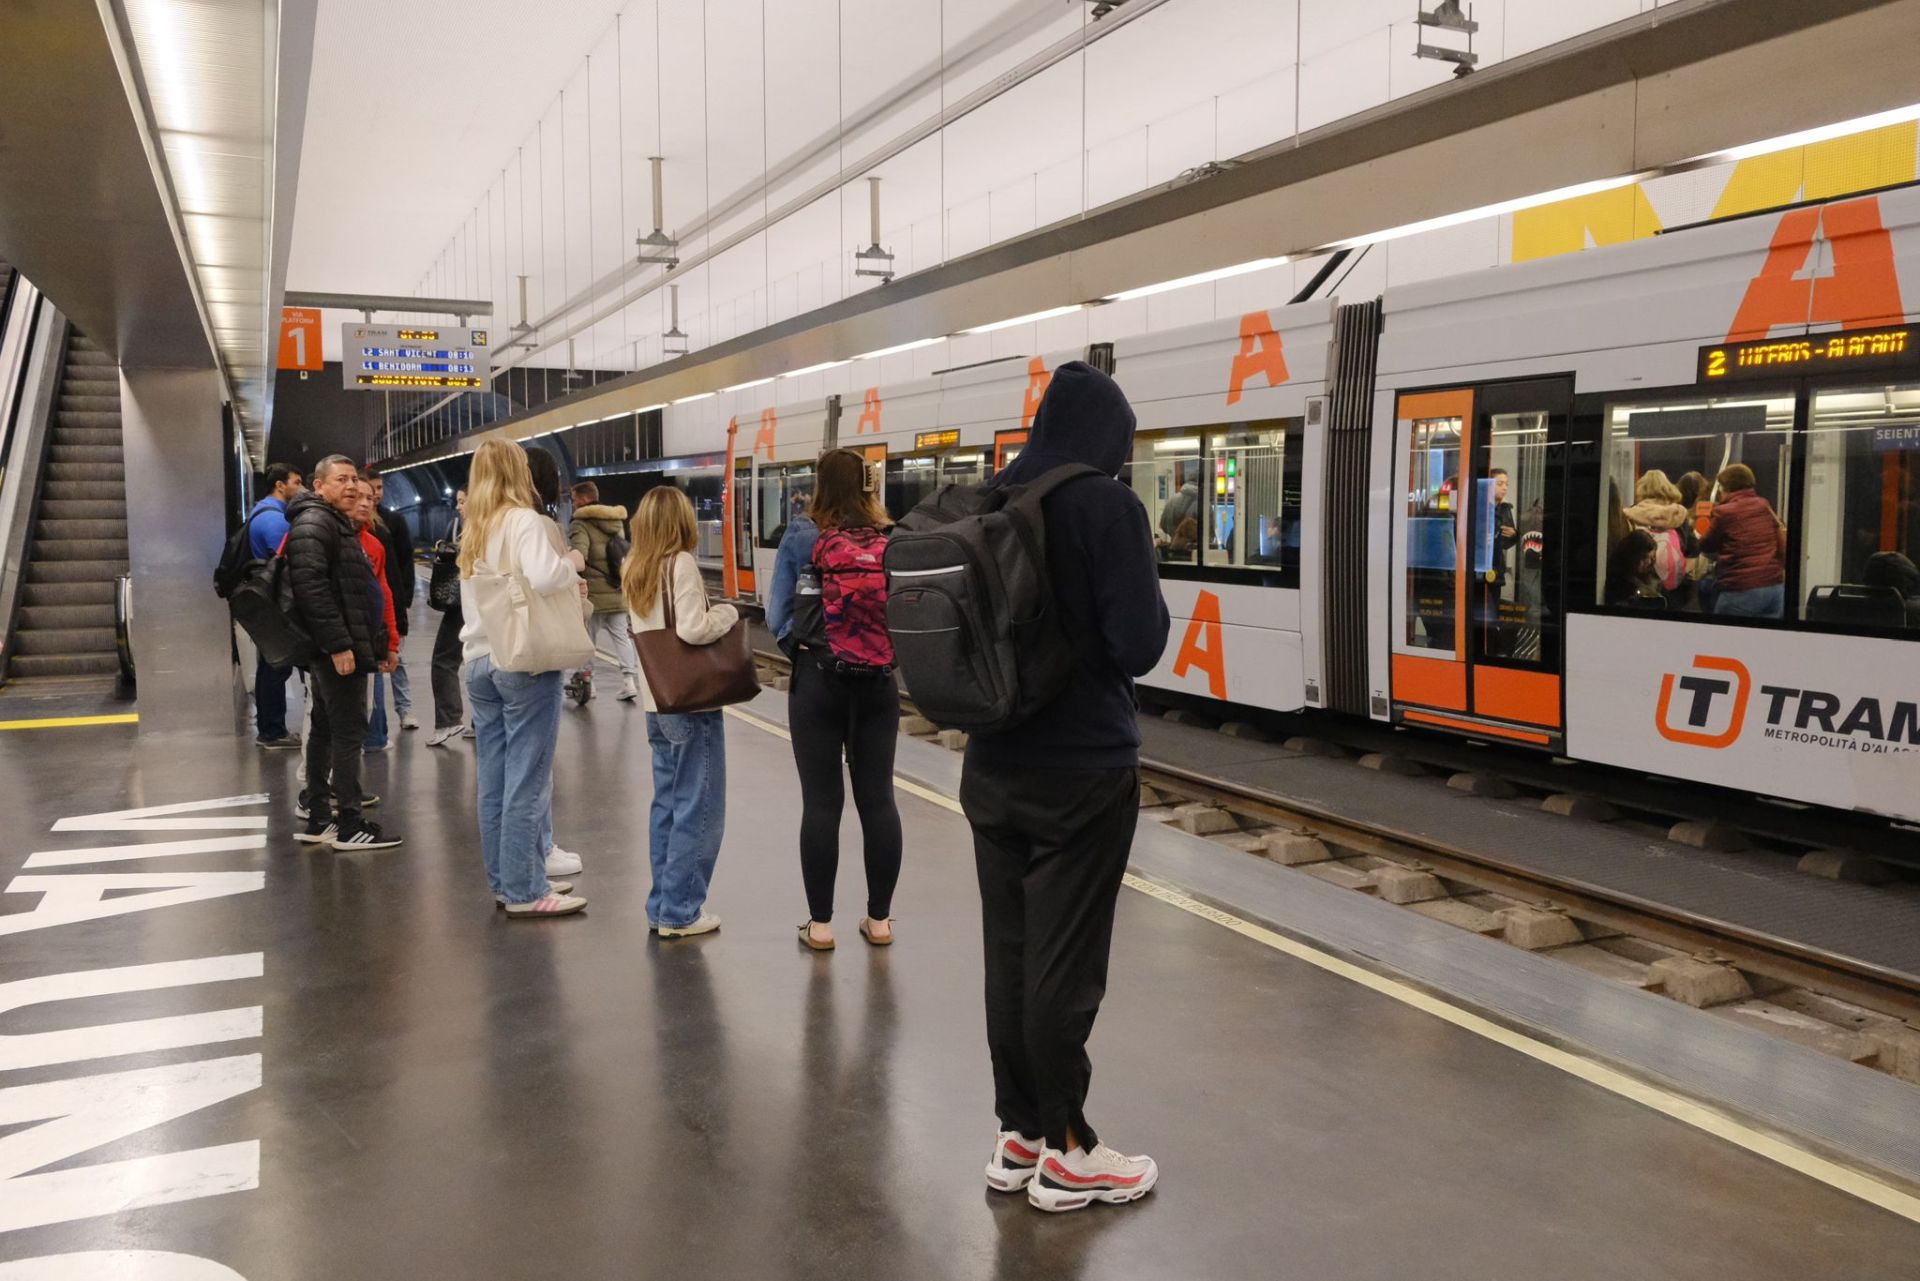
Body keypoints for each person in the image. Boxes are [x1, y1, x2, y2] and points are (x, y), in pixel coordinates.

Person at [961, 361, 1170, 1213]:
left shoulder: (994, 499)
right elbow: (1140, 642)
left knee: (1009, 956)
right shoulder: (1108, 506)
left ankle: (1019, 1133)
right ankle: (1072, 1148)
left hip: (991, 766)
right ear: (1109, 439)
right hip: (1081, 773)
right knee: (1065, 966)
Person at [767, 448, 903, 951]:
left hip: (818, 683)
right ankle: (881, 921)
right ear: (868, 484)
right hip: (878, 684)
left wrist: (808, 652)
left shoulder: (803, 534)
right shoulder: (889, 536)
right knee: (879, 800)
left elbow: (777, 611)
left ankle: (820, 927)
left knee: (822, 804)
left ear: (818, 484)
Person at [458, 438, 588, 918]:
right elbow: (545, 576)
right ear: (520, 473)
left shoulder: (476, 526)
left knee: (494, 781)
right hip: (522, 661)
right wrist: (572, 563)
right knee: (527, 782)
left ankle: (506, 881)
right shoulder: (523, 521)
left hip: (478, 661)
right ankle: (526, 891)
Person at [624, 485, 737, 939]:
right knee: (701, 807)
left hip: (658, 703)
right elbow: (692, 630)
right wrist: (727, 614)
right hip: (692, 704)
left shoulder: (635, 565)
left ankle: (661, 906)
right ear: (681, 522)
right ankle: (682, 911)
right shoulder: (681, 563)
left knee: (667, 807)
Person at [284, 456, 401, 851]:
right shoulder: (317, 523)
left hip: (341, 645)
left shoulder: (331, 522)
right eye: (341, 480)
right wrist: (337, 644)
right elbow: (311, 587)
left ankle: (321, 819)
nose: (352, 487)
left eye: (355, 479)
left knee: (325, 729)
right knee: (349, 732)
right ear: (319, 486)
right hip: (337, 649)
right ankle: (350, 825)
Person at [246, 463, 304, 749]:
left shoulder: (263, 511)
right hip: (275, 603)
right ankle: (272, 731)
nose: (300, 486)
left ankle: (271, 729)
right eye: (296, 481)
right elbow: (289, 560)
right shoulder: (273, 520)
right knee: (276, 667)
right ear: (281, 485)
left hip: (266, 602)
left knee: (272, 665)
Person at [567, 480, 641, 702]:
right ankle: (629, 681)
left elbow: (580, 556)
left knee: (587, 639)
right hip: (617, 589)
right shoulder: (615, 521)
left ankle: (588, 682)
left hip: (593, 594)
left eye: (573, 499)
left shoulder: (580, 523)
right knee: (622, 637)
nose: (573, 504)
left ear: (582, 499)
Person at [353, 481, 403, 753]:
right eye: (357, 496)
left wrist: (391, 644)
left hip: (366, 642)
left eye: (369, 498)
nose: (364, 503)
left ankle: (346, 787)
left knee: (364, 707)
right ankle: (319, 786)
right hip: (329, 647)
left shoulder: (374, 545)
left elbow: (384, 594)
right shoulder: (320, 534)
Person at [367, 472, 418, 732]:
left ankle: (404, 709)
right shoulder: (358, 523)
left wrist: (405, 597)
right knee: (379, 662)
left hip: (391, 598)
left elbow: (404, 564)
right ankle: (377, 723)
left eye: (379, 488)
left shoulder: (394, 521)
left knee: (397, 658)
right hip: (374, 603)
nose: (376, 493)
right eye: (371, 488)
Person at [1703, 463, 1786, 619]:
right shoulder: (1764, 504)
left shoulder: (1724, 512)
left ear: (1726, 487)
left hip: (1741, 589)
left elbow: (1707, 544)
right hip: (1774, 588)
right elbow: (1779, 543)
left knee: (1724, 639)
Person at [427, 487, 469, 746]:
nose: (459, 507)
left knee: (443, 660)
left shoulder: (465, 529)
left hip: (463, 604)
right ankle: (481, 723)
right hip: (487, 607)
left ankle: (448, 719)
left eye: (463, 501)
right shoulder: (497, 526)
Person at [1604, 529, 1664, 607]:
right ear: (1633, 556)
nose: (1649, 562)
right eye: (1644, 557)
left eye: (1651, 557)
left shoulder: (1646, 574)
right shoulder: (1617, 581)